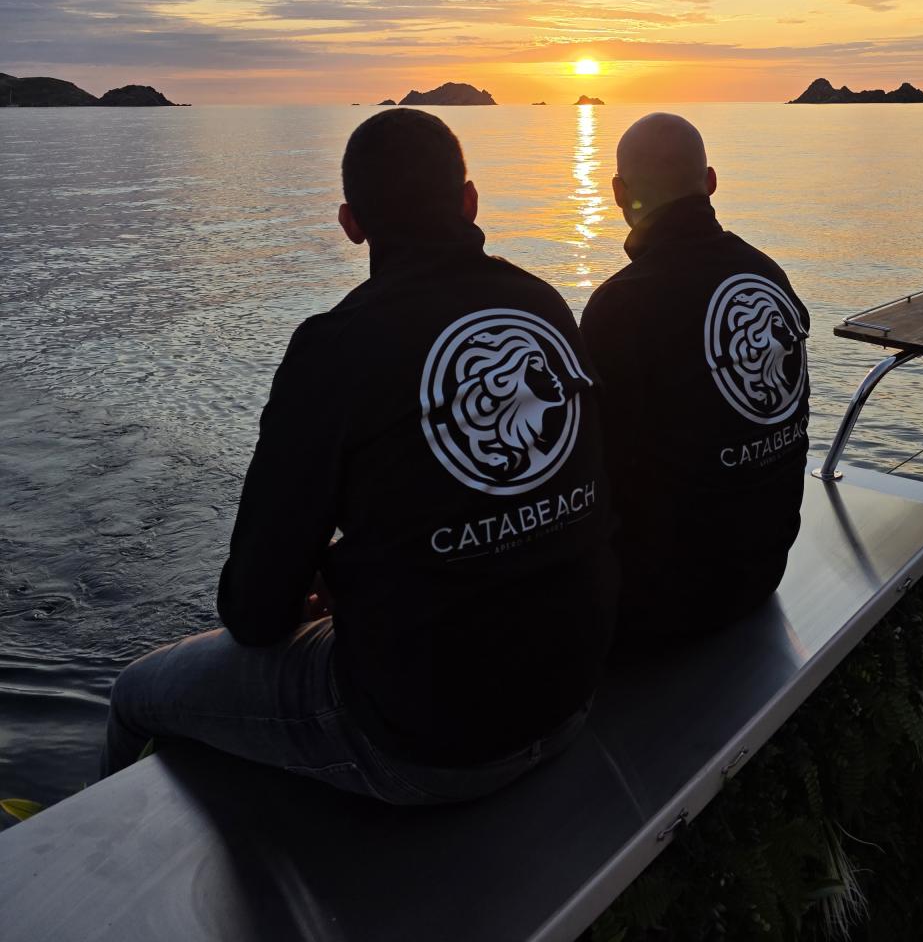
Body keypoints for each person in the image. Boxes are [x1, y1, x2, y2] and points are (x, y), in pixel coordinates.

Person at [100, 109, 617, 804]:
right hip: (570, 695)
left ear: (351, 224)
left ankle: (103, 851)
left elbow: (254, 612)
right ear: (469, 201)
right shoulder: (544, 306)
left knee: (135, 694)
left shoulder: (335, 347)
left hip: (424, 745)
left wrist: (322, 576)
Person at [581, 113, 810, 639]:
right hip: (764, 567)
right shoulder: (768, 274)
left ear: (618, 192)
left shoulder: (621, 305)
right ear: (710, 181)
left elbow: (593, 468)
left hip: (662, 600)